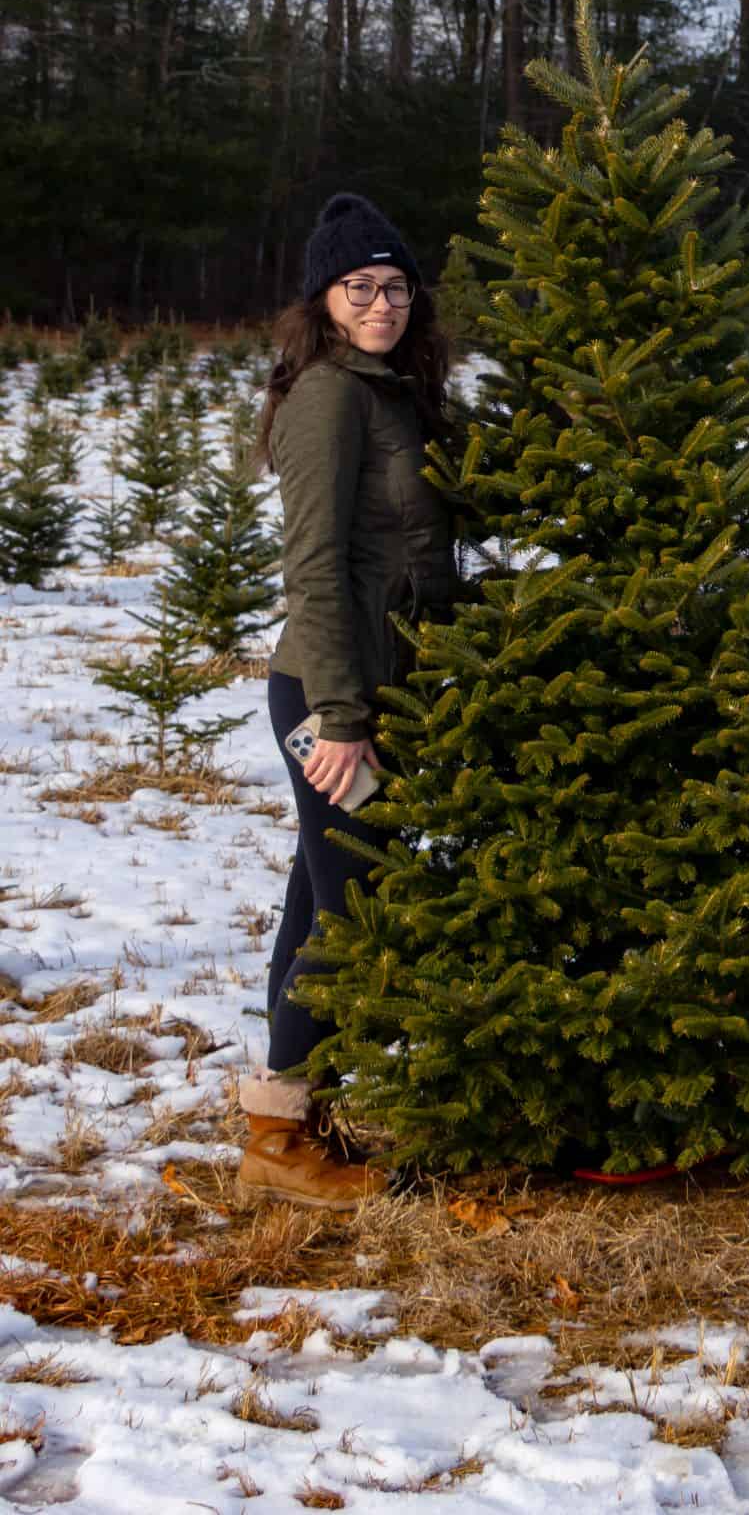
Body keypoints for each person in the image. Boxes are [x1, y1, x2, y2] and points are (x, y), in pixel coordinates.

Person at [237, 193, 456, 1207]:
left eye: (396, 284)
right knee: (354, 910)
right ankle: (281, 1149)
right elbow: (316, 566)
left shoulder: (397, 390)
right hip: (332, 690)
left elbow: (417, 551)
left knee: (312, 898)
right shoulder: (330, 396)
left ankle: (282, 1118)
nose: (382, 303)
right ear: (323, 301)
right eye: (359, 287)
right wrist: (340, 717)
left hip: (382, 679)